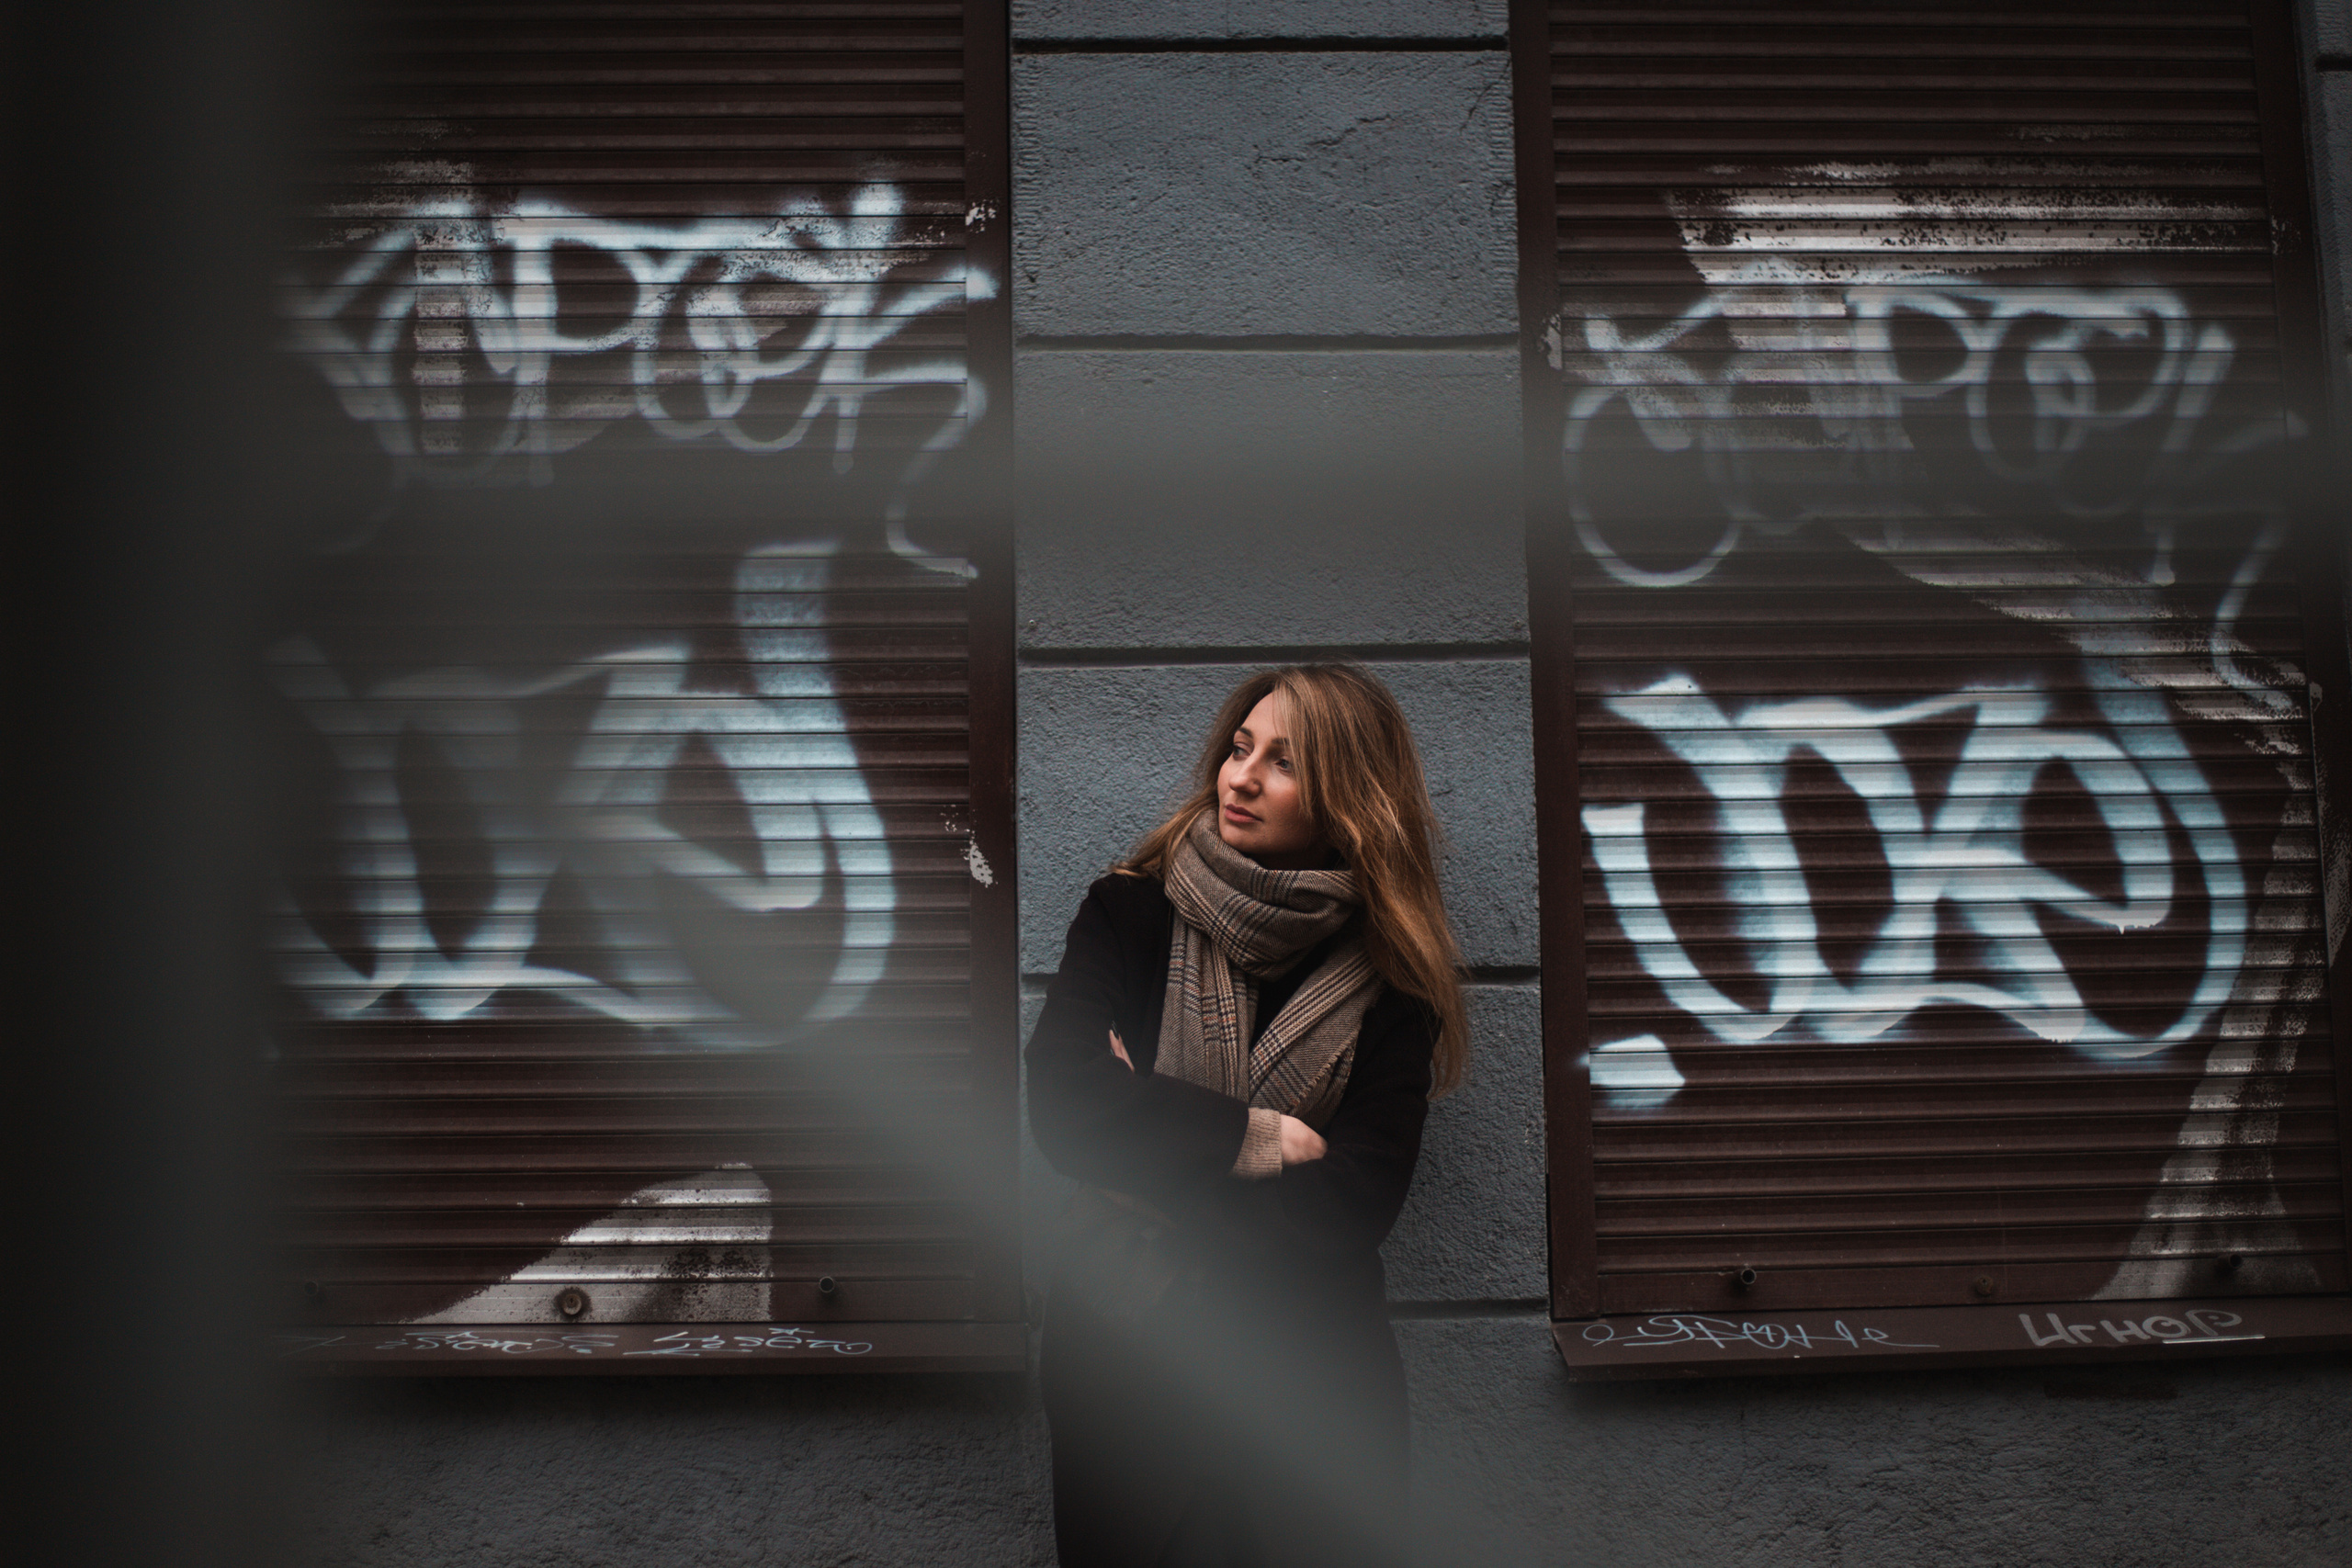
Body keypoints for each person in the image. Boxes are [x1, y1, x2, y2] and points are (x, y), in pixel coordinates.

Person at [1026, 664, 1468, 1568]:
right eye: (1238, 750)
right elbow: (1066, 1107)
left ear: (1348, 795)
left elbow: (1353, 1204)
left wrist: (1141, 1155)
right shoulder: (1127, 914)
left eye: (1282, 762)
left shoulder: (1391, 981)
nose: (1240, 777)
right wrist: (1253, 1140)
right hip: (1125, 1373)